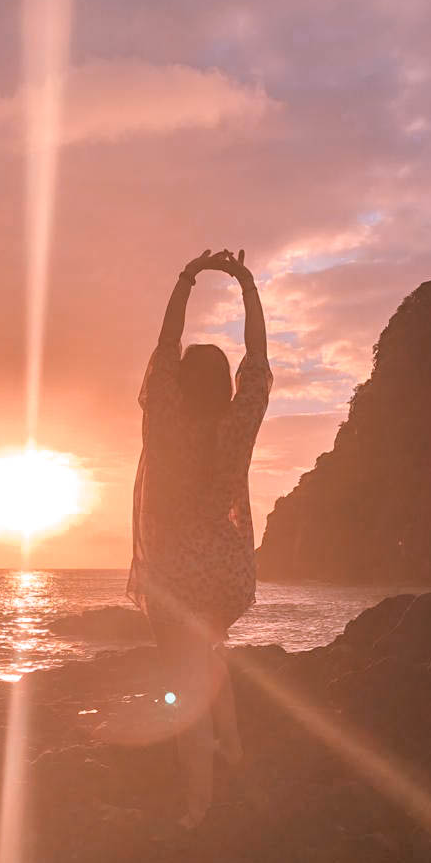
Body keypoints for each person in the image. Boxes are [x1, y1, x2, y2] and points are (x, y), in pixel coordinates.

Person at [127, 248, 273, 828]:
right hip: (228, 573)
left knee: (186, 685)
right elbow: (258, 359)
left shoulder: (167, 417)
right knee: (208, 656)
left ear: (181, 382)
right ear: (224, 385)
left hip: (176, 575)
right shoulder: (239, 422)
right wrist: (246, 285)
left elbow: (165, 348)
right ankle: (232, 749)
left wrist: (188, 277)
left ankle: (198, 806)